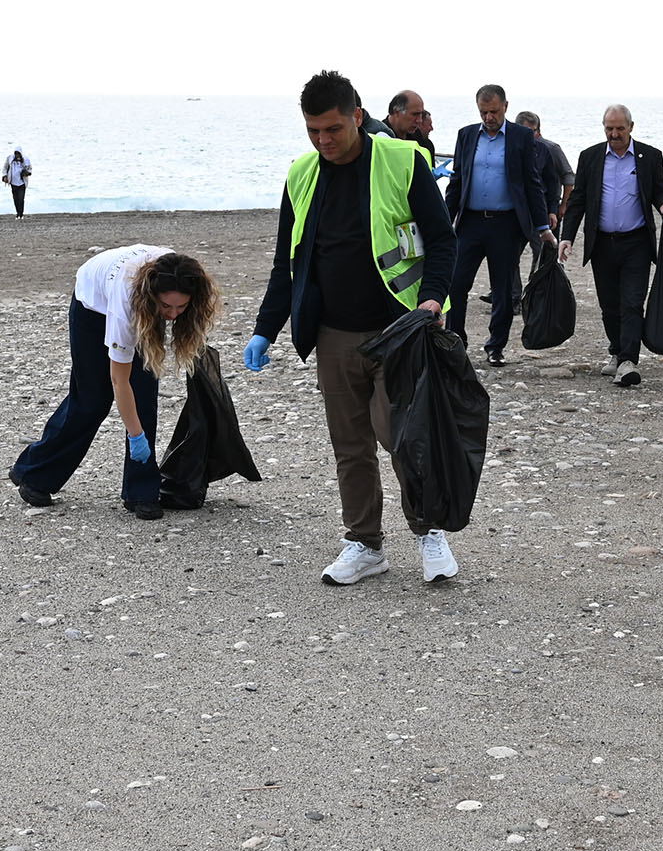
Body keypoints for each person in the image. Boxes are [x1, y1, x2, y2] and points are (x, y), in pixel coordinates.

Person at [244, 70, 461, 586]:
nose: (323, 141)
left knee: (404, 437)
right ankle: (364, 543)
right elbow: (286, 263)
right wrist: (265, 329)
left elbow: (443, 240)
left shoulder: (402, 160)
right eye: (313, 131)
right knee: (350, 445)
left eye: (333, 130)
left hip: (400, 328)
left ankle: (429, 531)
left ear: (357, 118)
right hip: (333, 335)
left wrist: (431, 301)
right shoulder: (301, 174)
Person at [9, 247, 221, 520]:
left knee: (145, 397)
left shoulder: (180, 277)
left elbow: (143, 382)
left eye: (181, 307)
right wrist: (136, 437)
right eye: (166, 307)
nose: (172, 315)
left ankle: (141, 491)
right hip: (92, 305)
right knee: (91, 400)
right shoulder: (128, 307)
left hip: (138, 299)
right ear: (153, 297)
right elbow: (119, 381)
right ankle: (34, 472)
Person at [558, 104, 663, 387]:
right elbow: (578, 200)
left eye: (620, 129)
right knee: (609, 305)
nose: (614, 134)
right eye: (609, 129)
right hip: (601, 243)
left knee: (632, 303)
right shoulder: (590, 157)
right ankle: (616, 350)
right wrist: (567, 236)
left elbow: (658, 189)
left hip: (636, 241)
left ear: (631, 128)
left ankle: (627, 361)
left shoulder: (649, 156)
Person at [443, 84, 552, 367]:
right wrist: (444, 220)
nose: (488, 117)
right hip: (470, 222)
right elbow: (457, 181)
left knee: (502, 289)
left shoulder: (521, 137)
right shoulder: (466, 135)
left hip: (506, 224)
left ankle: (495, 346)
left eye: (493, 111)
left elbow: (532, 183)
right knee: (456, 283)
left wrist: (542, 224)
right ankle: (456, 341)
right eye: (483, 112)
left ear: (505, 106)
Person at [486, 110, 569, 311]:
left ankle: (535, 293)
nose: (528, 136)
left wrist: (554, 209)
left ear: (538, 132)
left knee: (542, 253)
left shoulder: (547, 150)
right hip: (512, 211)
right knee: (507, 255)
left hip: (538, 212)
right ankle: (513, 297)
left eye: (532, 132)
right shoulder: (504, 148)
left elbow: (554, 182)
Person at [385, 90, 436, 159]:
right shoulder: (379, 137)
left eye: (421, 114)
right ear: (396, 112)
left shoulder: (418, 136)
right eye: (415, 114)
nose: (419, 120)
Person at [2, 148, 32, 216]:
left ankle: (21, 213)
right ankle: (18, 213)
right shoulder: (9, 159)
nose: (17, 155)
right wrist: (5, 175)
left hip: (22, 183)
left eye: (19, 154)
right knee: (16, 199)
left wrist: (27, 173)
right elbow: (5, 168)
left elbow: (30, 169)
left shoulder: (26, 160)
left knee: (21, 199)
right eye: (16, 154)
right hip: (13, 183)